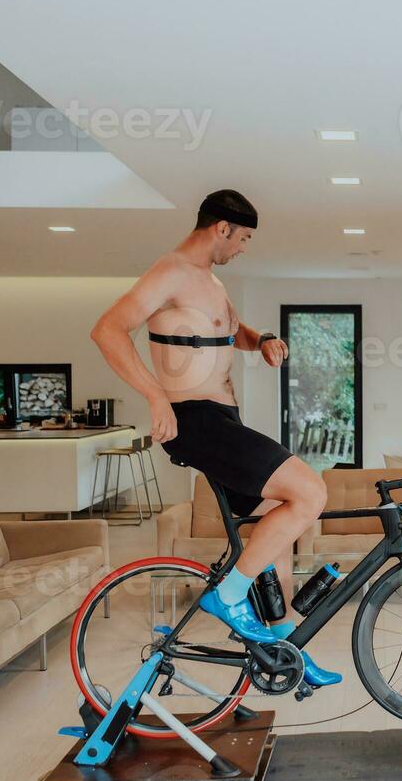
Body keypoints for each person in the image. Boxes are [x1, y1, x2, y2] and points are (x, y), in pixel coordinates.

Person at [90, 189, 339, 687]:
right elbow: (108, 330)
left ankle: (283, 644)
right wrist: (156, 396)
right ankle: (228, 596)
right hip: (195, 419)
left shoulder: (209, 281)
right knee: (310, 491)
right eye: (243, 238)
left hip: (222, 421)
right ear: (221, 227)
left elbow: (231, 330)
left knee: (277, 524)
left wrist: (261, 340)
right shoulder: (172, 271)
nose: (244, 247)